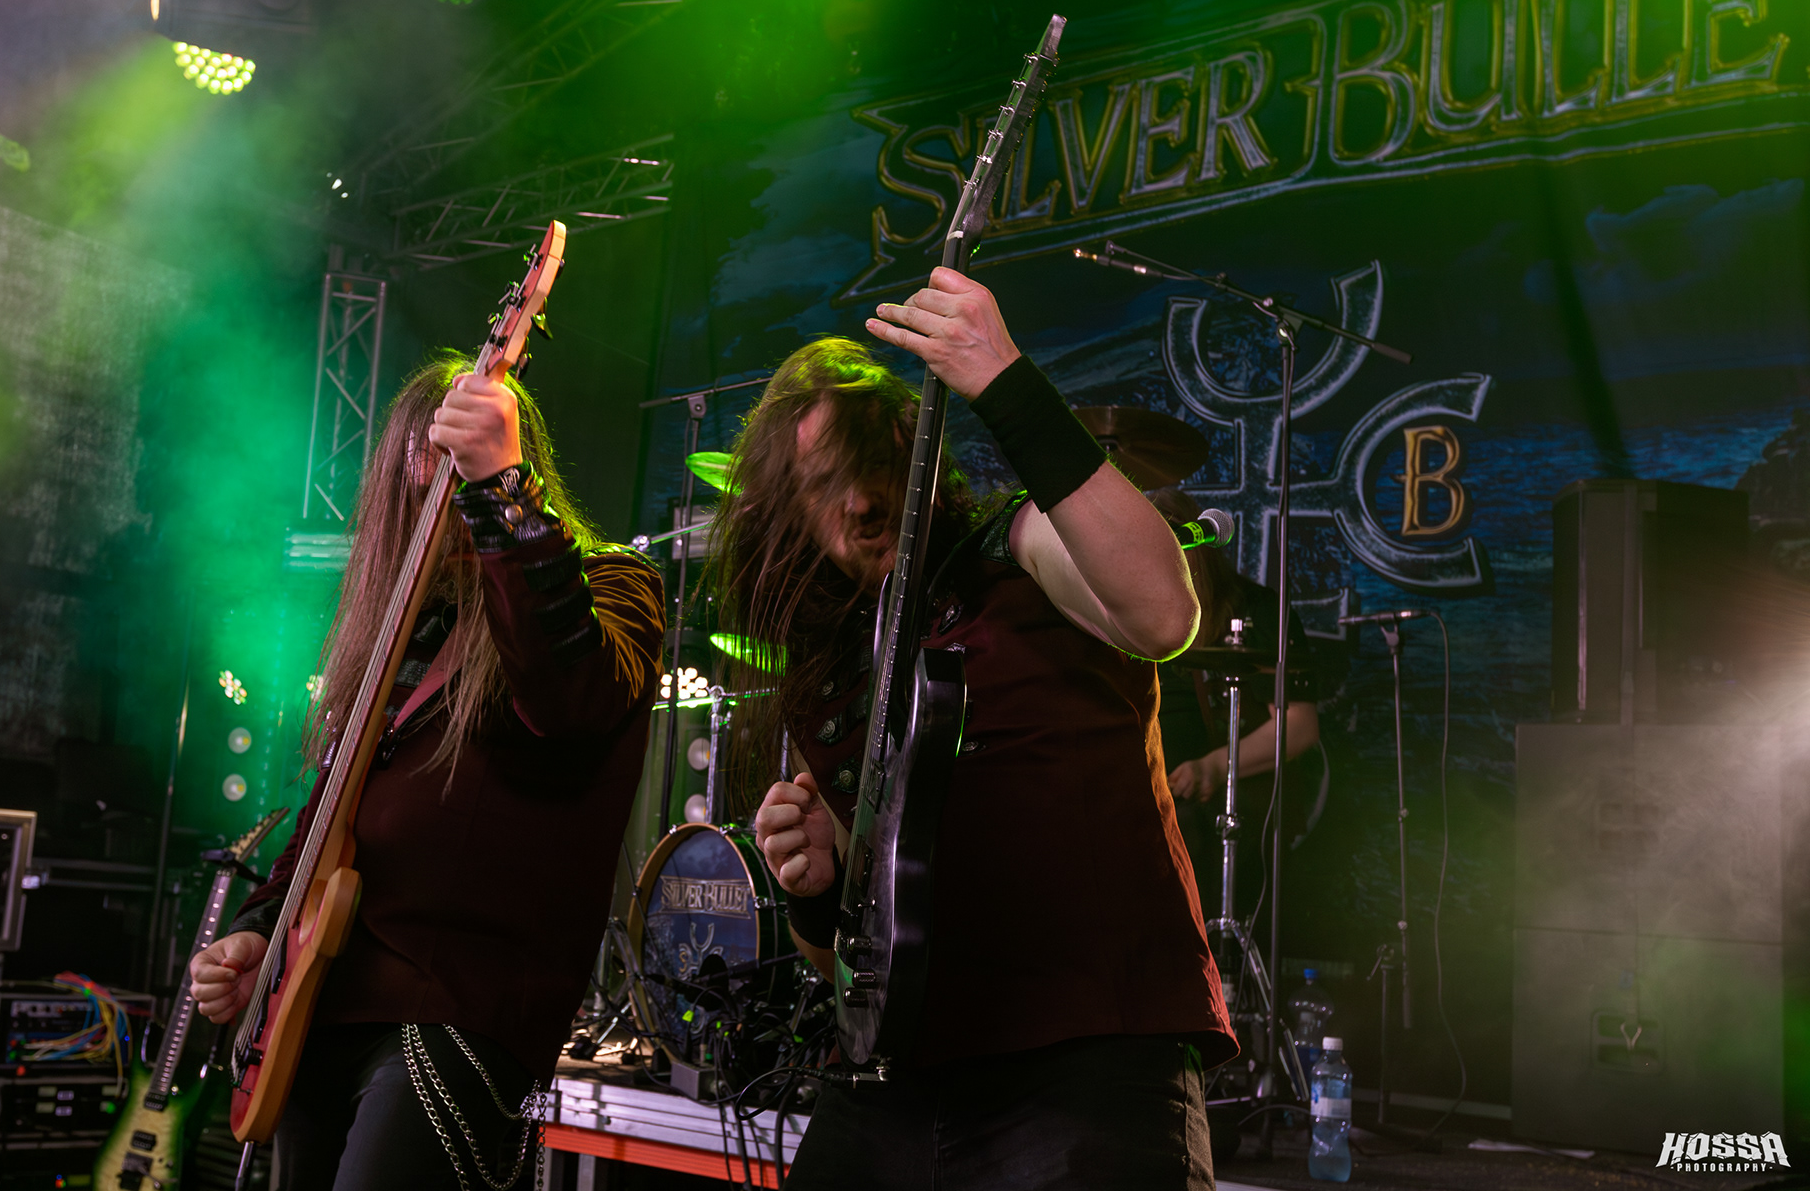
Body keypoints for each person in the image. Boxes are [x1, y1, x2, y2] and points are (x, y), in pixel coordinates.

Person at [715, 268, 1237, 1191]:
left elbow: (1163, 614)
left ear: (916, 460)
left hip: (1082, 1060)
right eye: (825, 483)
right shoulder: (825, 672)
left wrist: (1002, 380)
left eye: (874, 468)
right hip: (892, 1083)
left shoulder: (1015, 546)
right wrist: (814, 893)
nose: (860, 502)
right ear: (786, 508)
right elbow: (850, 962)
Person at [187, 355, 664, 1191]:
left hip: (455, 1015)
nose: (438, 509)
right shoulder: (398, 637)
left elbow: (569, 701)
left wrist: (504, 492)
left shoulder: (609, 584)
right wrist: (262, 934)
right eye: (421, 492)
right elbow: (326, 823)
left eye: (456, 482)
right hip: (319, 1011)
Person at [1152, 486, 1321, 925]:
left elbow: (1299, 727)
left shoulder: (1257, 609)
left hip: (1227, 795)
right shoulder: (1126, 616)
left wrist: (1214, 766)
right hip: (1150, 793)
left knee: (1191, 832)